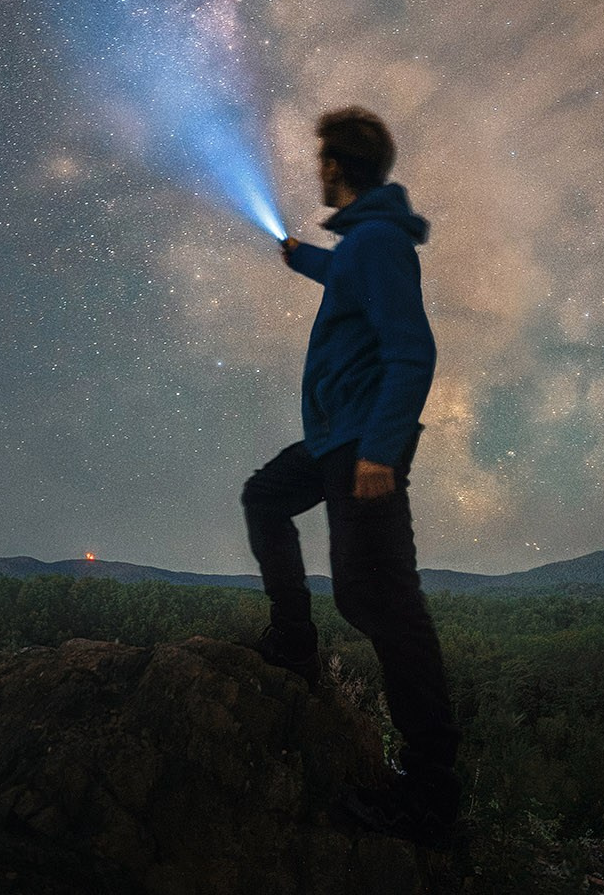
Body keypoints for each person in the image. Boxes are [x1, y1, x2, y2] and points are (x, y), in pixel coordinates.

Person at [243, 104, 459, 846]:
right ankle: (293, 640)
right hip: (337, 437)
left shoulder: (376, 243)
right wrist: (300, 255)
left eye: (321, 160)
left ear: (337, 166)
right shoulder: (365, 247)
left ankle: (431, 796)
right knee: (265, 497)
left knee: (384, 607)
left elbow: (412, 351)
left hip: (362, 444)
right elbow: (347, 279)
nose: (315, 170)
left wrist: (379, 450)